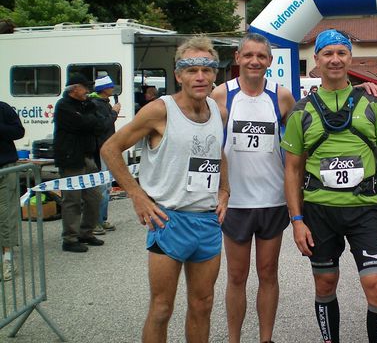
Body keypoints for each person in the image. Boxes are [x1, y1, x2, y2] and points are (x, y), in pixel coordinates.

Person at [101, 36, 229, 343]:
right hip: (168, 220)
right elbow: (110, 149)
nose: (200, 76)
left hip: (207, 221)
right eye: (191, 69)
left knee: (203, 305)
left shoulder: (218, 111)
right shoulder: (159, 111)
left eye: (207, 69)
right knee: (161, 308)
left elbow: (217, 152)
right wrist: (137, 195)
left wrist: (225, 189)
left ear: (215, 74)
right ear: (178, 74)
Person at [282, 29, 377, 343]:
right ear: (317, 61)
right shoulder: (301, 111)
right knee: (324, 286)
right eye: (327, 53)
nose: (334, 59)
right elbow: (292, 170)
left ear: (349, 58)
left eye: (341, 53)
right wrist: (296, 221)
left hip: (365, 210)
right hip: (319, 212)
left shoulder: (372, 104)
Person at [211, 33, 295, 343]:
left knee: (268, 273)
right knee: (236, 276)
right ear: (237, 58)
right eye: (249, 55)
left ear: (270, 61)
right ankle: (234, 339)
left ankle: (265, 338)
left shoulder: (281, 96)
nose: (255, 61)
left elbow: (300, 140)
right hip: (235, 201)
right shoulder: (221, 95)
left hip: (272, 199)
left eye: (261, 56)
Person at [53, 75, 105, 253]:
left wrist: (88, 120)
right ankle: (69, 238)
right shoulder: (63, 106)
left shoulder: (87, 105)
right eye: (85, 88)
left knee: (95, 197)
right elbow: (82, 123)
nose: (88, 91)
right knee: (72, 199)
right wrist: (89, 120)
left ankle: (86, 232)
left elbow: (100, 124)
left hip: (88, 156)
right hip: (71, 158)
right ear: (73, 89)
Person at [89, 75, 121, 234]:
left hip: (107, 148)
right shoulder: (97, 105)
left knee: (107, 185)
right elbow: (102, 126)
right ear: (103, 89)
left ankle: (102, 219)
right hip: (101, 149)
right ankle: (96, 221)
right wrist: (114, 113)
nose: (113, 89)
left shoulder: (103, 103)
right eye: (110, 86)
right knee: (101, 186)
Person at [0, 101, 25, 280]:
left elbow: (18, 131)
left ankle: (8, 258)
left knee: (6, 214)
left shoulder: (3, 108)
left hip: (5, 169)